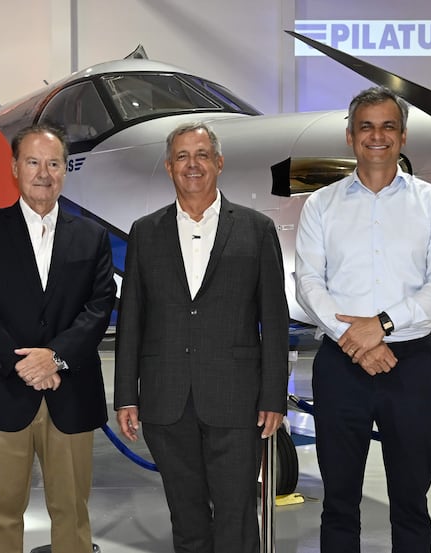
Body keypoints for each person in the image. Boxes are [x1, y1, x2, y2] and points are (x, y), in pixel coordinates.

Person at [294, 86, 431, 552]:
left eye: (388, 126)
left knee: (411, 502)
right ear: (350, 136)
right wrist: (355, 338)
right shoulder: (320, 205)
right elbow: (308, 283)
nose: (377, 136)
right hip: (340, 364)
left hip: (410, 366)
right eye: (366, 126)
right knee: (338, 503)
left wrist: (381, 325)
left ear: (403, 136)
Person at [114, 122, 289, 553]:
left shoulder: (256, 228)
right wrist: (126, 395)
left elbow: (274, 318)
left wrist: (273, 395)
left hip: (236, 400)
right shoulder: (145, 231)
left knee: (236, 520)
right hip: (166, 399)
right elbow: (132, 318)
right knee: (187, 521)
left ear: (219, 162)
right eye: (182, 156)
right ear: (169, 166)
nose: (192, 164)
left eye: (202, 155)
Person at [0, 124, 116, 553]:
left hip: (70, 391)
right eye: (33, 162)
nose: (44, 173)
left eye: (54, 163)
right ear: (14, 168)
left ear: (65, 170)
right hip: (1, 389)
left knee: (73, 514)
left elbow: (99, 306)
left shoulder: (92, 236)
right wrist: (22, 363)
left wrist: (55, 357)